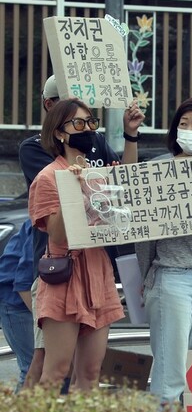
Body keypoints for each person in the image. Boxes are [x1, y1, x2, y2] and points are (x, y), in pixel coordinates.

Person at [19, 75, 144, 386]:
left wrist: (130, 136)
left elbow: (125, 199)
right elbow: (58, 235)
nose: (88, 129)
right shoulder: (49, 177)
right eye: (78, 124)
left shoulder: (99, 175)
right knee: (55, 370)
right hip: (64, 274)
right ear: (60, 132)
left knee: (89, 373)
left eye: (91, 122)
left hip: (98, 272)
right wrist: (72, 190)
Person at [135, 98, 192, 403]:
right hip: (170, 276)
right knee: (171, 367)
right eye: (183, 124)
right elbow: (144, 236)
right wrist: (148, 276)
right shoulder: (158, 169)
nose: (187, 130)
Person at [0, 221, 36, 386]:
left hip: (25, 294)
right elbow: (23, 283)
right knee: (33, 368)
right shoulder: (42, 227)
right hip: (16, 300)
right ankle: (21, 411)